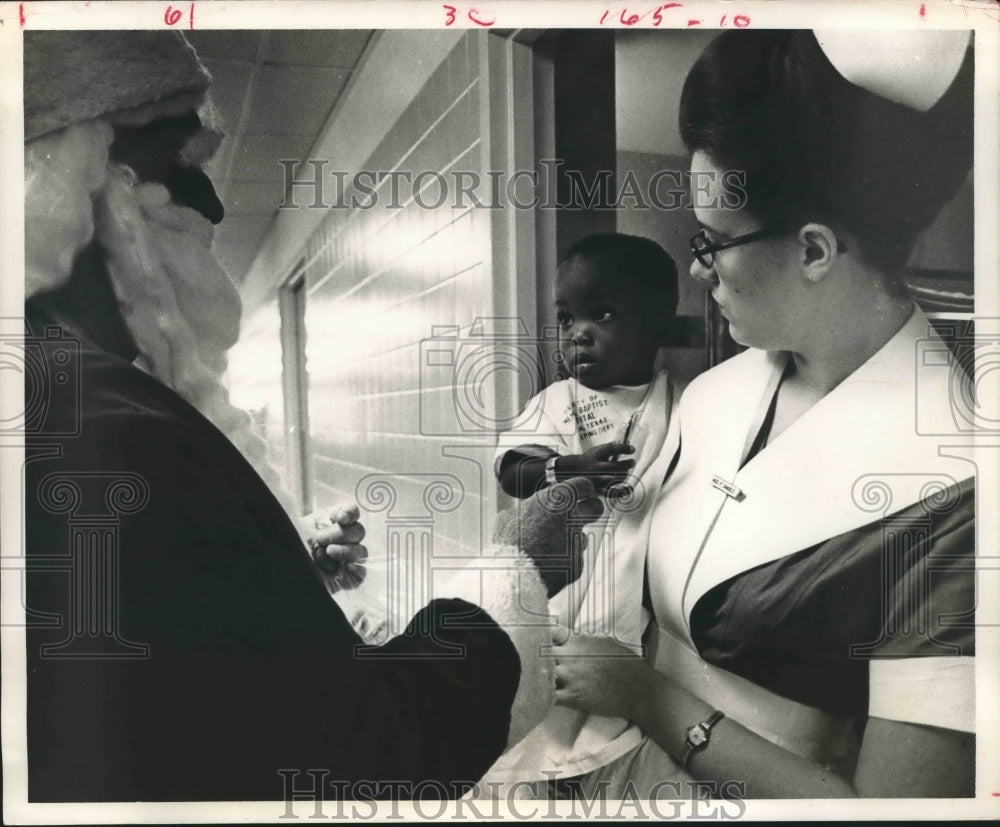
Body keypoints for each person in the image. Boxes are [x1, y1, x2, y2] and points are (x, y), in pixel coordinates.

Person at [20, 30, 603, 802]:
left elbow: (193, 667)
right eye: (181, 164)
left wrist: (282, 571)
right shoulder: (103, 428)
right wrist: (516, 569)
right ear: (61, 182)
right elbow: (371, 749)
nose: (214, 204)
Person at [551, 29, 977, 799]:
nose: (694, 267)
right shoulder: (716, 392)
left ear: (814, 250)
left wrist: (647, 697)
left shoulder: (958, 487)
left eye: (711, 242)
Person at [481, 234, 680, 795]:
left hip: (635, 590)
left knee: (616, 724)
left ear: (655, 324)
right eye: (567, 318)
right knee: (546, 715)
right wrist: (568, 467)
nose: (578, 334)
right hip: (566, 579)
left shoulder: (681, 400)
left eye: (603, 314)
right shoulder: (558, 399)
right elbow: (512, 468)